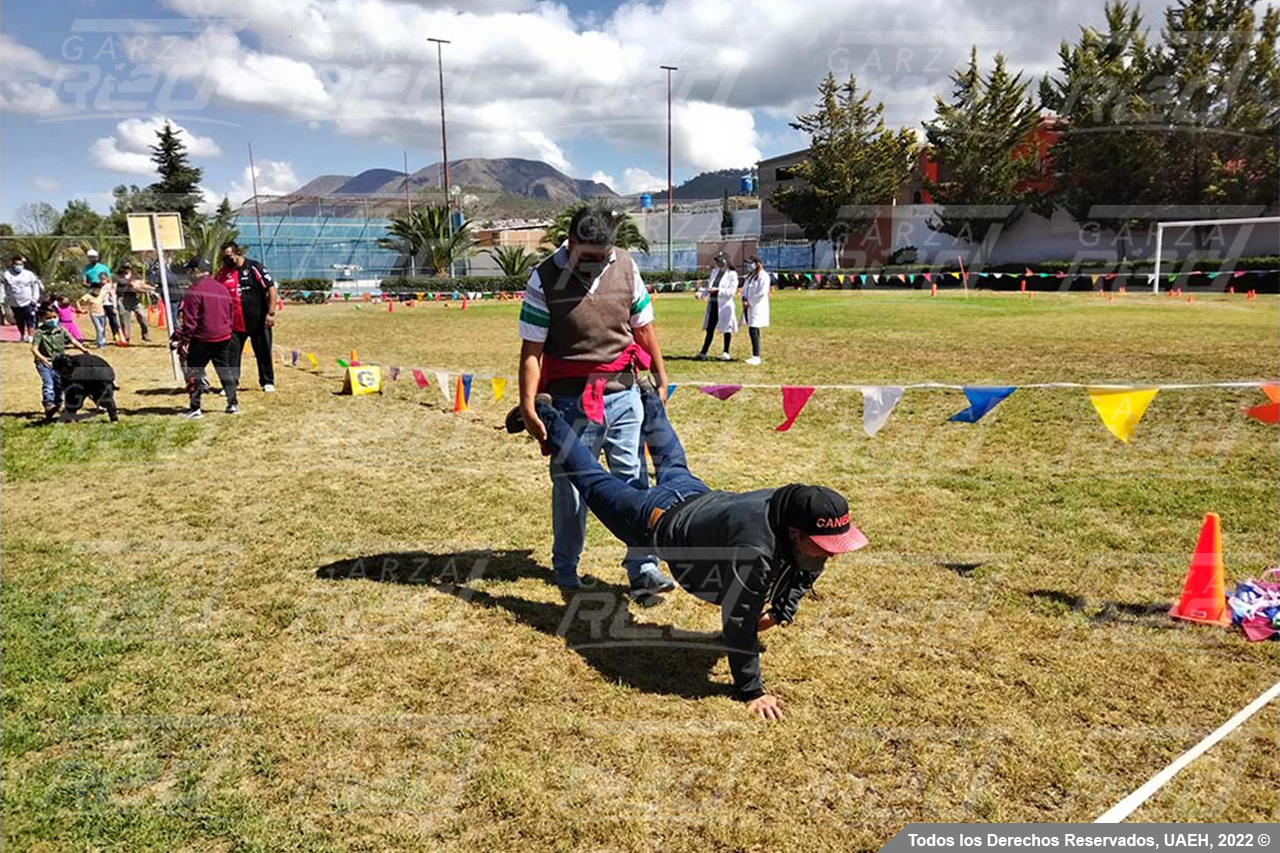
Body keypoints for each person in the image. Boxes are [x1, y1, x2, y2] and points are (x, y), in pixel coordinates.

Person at [525, 382, 868, 720]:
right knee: (591, 478)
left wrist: (782, 610)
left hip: (694, 494)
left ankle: (647, 394)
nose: (831, 555)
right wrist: (752, 690)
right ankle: (545, 413)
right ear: (794, 533)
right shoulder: (755, 551)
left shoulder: (791, 507)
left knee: (670, 454)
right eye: (824, 546)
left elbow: (809, 564)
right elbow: (739, 620)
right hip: (651, 519)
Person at [515, 203, 676, 600]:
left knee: (634, 481)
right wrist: (528, 404)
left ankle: (644, 568)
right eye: (587, 257)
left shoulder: (625, 266)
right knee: (570, 487)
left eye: (602, 257)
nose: (596, 266)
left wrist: (659, 372)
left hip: (624, 394)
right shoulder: (544, 278)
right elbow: (532, 350)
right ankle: (566, 567)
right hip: (570, 402)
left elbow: (643, 326)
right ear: (570, 244)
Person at [173, 256, 239, 418]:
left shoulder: (194, 291)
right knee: (225, 371)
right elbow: (230, 312)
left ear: (196, 271)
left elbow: (191, 320)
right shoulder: (221, 288)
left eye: (189, 270)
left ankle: (195, 408)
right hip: (223, 337)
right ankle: (233, 404)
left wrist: (184, 340)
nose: (188, 274)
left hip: (202, 339)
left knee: (194, 373)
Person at [217, 241, 278, 392]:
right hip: (234, 324)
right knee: (231, 356)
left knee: (263, 351)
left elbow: (271, 288)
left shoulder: (254, 267)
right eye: (224, 258)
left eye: (229, 257)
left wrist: (270, 313)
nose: (227, 260)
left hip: (258, 321)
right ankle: (231, 384)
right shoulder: (222, 273)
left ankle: (267, 381)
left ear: (238, 254)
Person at [31, 303, 90, 418]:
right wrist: (42, 359)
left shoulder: (61, 330)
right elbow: (34, 348)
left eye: (54, 317)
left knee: (59, 384)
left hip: (60, 364)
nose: (52, 320)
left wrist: (84, 350)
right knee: (48, 383)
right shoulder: (40, 333)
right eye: (48, 318)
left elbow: (73, 340)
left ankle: (58, 404)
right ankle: (48, 404)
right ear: (42, 319)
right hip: (44, 363)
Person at [695, 252, 739, 361]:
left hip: (725, 305)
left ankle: (726, 352)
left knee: (726, 328)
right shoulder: (715, 272)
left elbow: (731, 292)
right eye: (717, 261)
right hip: (713, 304)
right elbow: (709, 288)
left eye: (719, 261)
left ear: (725, 261)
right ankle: (704, 352)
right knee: (710, 329)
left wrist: (718, 290)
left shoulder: (732, 274)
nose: (717, 263)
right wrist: (701, 294)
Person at [54, 353, 119, 423]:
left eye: (61, 372)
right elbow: (68, 390)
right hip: (86, 378)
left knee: (104, 400)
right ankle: (71, 417)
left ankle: (114, 418)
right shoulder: (67, 369)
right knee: (72, 395)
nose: (59, 374)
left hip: (100, 377)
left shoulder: (86, 366)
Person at [740, 255, 771, 366]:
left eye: (751, 263)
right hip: (748, 306)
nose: (749, 265)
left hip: (757, 306)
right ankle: (755, 354)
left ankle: (756, 356)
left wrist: (750, 302)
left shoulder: (764, 276)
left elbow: (762, 293)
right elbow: (744, 290)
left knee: (754, 330)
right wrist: (743, 299)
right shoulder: (750, 276)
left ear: (757, 263)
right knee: (752, 329)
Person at [3, 254, 43, 342]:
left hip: (28, 301)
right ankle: (22, 335)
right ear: (12, 264)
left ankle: (31, 336)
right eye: (16, 264)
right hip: (14, 302)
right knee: (19, 319)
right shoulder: (7, 274)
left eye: (20, 264)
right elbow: (3, 287)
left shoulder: (29, 274)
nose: (18, 266)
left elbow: (35, 286)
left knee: (30, 317)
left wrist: (35, 298)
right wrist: (3, 298)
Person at [115, 261, 153, 343]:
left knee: (142, 316)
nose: (126, 270)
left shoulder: (135, 276)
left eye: (128, 268)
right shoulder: (118, 276)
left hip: (134, 298)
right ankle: (126, 337)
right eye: (124, 268)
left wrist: (147, 288)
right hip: (122, 299)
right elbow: (116, 285)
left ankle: (145, 335)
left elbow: (142, 284)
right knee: (124, 319)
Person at [77, 279, 109, 348]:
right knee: (99, 329)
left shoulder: (102, 293)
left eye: (99, 290)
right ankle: (100, 344)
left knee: (103, 329)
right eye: (96, 290)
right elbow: (78, 302)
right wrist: (80, 310)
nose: (98, 292)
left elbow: (109, 290)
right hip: (94, 315)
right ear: (92, 289)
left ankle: (102, 341)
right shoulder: (88, 296)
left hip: (102, 314)